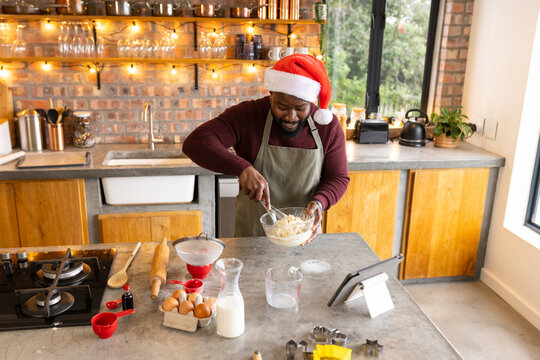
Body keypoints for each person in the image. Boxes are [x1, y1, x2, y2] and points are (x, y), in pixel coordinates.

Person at [183, 54, 349, 244]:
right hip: (252, 239)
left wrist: (320, 201)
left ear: (311, 102)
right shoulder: (249, 115)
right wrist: (241, 168)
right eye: (281, 106)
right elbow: (196, 141)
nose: (290, 116)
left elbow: (338, 177)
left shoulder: (326, 124)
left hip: (304, 236)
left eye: (300, 108)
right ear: (271, 95)